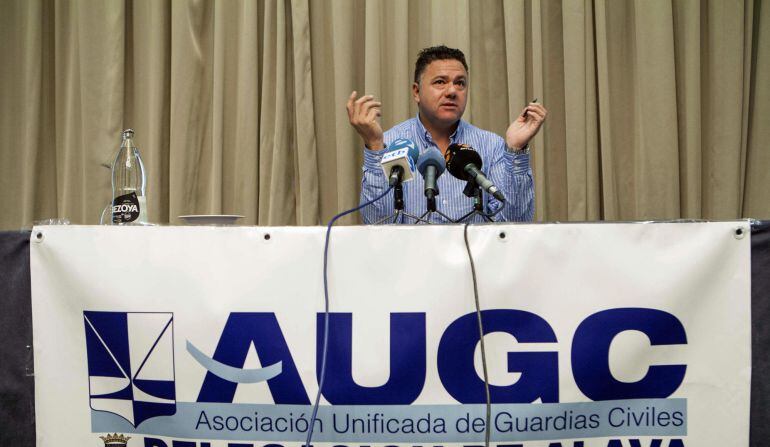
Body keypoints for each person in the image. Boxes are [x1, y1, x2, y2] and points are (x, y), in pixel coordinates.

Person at [346, 45, 547, 223]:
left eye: (460, 83)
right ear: (416, 92)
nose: (452, 91)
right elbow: (377, 225)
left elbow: (514, 224)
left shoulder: (490, 145)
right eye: (440, 82)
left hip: (472, 263)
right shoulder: (390, 145)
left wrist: (515, 149)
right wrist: (373, 144)